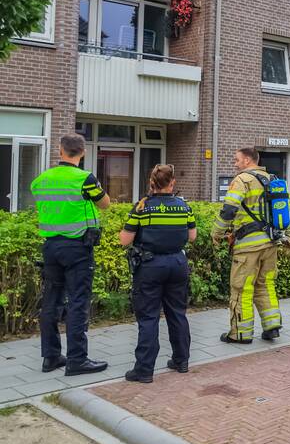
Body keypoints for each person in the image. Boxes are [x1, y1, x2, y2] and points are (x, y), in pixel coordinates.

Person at [31, 133, 110, 375]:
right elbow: (105, 203)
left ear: (60, 151)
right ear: (83, 152)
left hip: (51, 247)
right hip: (77, 248)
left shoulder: (41, 180)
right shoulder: (84, 178)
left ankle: (51, 357)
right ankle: (77, 360)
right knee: (78, 302)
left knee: (51, 301)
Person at [119, 165, 195, 383]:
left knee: (149, 317)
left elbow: (124, 240)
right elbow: (192, 236)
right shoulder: (184, 207)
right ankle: (181, 361)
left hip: (150, 266)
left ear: (152, 184)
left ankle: (144, 370)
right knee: (177, 313)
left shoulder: (142, 208)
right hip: (177, 264)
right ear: (172, 183)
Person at [212, 147, 290, 343]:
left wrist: (217, 232)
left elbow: (229, 210)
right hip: (271, 243)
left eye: (237, 159)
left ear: (247, 160)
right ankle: (272, 326)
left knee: (241, 288)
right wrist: (286, 236)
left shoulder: (241, 180)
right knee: (265, 285)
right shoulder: (274, 180)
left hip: (248, 247)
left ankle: (240, 333)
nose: (235, 163)